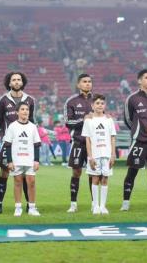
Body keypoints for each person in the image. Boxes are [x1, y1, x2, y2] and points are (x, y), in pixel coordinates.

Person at [120, 69, 147, 211]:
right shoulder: (132, 99)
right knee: (132, 171)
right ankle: (126, 203)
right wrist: (137, 131)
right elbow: (128, 119)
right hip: (139, 141)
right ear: (140, 80)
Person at [0, 71, 36, 214]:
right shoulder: (3, 100)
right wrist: (3, 136)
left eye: (19, 79)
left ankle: (29, 206)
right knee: (4, 172)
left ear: (22, 82)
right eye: (14, 80)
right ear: (9, 83)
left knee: (25, 175)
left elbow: (33, 121)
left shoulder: (30, 100)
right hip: (9, 144)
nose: (17, 82)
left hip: (25, 145)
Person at [3, 102, 42, 216]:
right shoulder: (12, 126)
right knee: (18, 182)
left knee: (31, 182)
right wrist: (9, 161)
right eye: (23, 109)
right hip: (16, 159)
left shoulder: (32, 126)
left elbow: (36, 144)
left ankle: (32, 208)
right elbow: (8, 144)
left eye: (27, 109)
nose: (25, 111)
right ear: (17, 112)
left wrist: (36, 160)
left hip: (30, 160)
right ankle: (18, 207)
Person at [82, 94, 117, 215]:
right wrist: (90, 157)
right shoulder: (88, 120)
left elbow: (112, 138)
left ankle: (103, 206)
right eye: (97, 103)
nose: (99, 105)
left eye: (102, 103)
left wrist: (113, 155)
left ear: (105, 105)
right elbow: (88, 140)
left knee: (105, 179)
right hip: (95, 155)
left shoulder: (109, 120)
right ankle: (95, 205)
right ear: (92, 105)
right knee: (95, 179)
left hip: (107, 154)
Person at [64, 73, 94, 213]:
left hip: (94, 143)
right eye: (84, 81)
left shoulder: (97, 100)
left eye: (89, 81)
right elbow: (68, 122)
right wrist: (84, 120)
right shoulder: (71, 101)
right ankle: (73, 204)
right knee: (76, 172)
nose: (87, 84)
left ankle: (95, 203)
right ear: (78, 85)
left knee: (93, 172)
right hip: (78, 141)